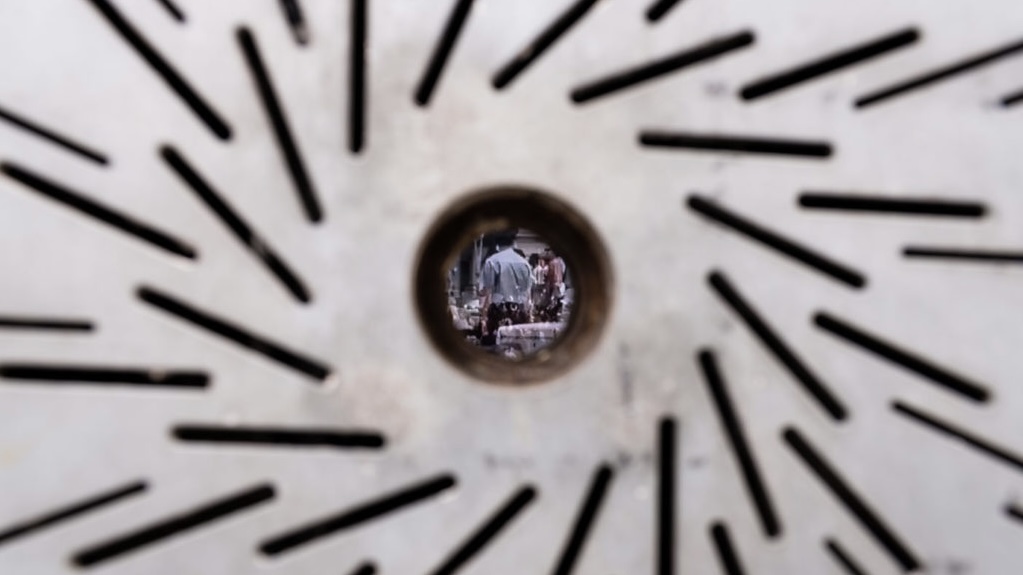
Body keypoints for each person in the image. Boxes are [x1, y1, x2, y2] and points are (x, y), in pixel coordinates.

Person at [477, 231, 534, 339]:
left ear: (497, 245)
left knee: (497, 342)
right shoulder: (524, 262)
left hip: (499, 311)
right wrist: (529, 315)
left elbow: (487, 291)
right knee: (518, 342)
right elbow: (528, 292)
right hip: (519, 311)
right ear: (513, 243)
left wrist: (484, 316)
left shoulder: (492, 261)